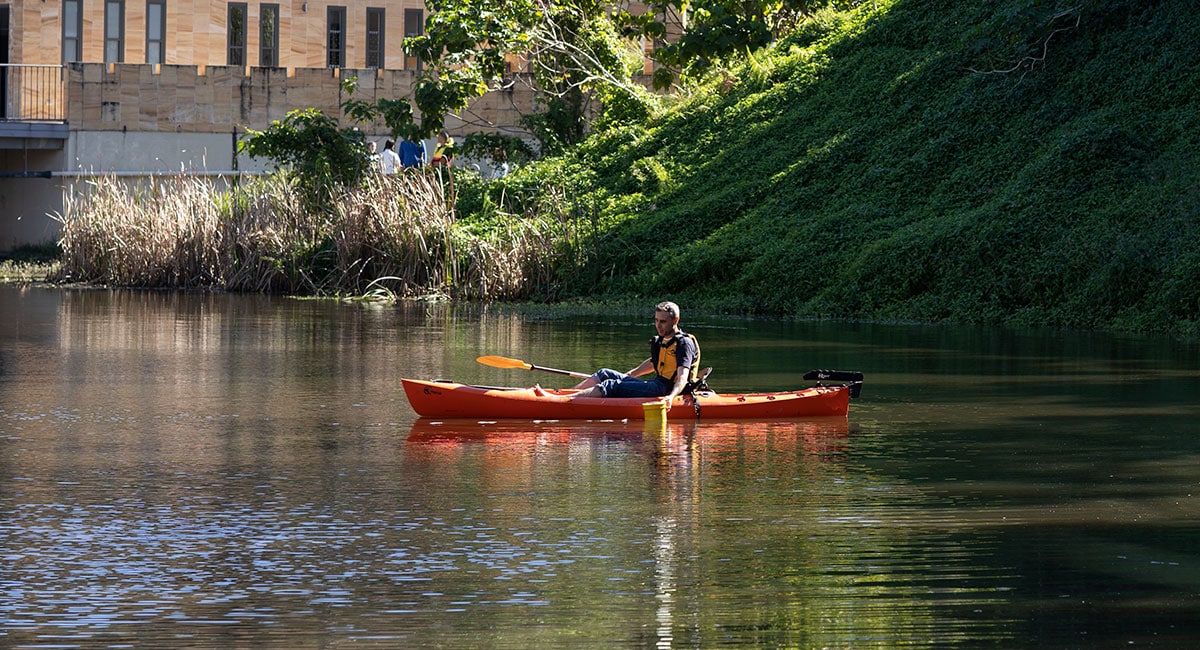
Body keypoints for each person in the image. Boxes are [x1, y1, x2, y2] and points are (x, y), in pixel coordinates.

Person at [571, 301, 700, 402]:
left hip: (667, 389)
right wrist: (630, 374)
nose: (658, 325)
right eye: (656, 320)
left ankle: (567, 401)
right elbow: (653, 362)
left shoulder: (684, 343)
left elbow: (682, 377)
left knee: (611, 385)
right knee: (605, 373)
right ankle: (568, 393)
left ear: (675, 320)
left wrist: (671, 397)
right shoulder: (663, 339)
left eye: (663, 321)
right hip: (656, 383)